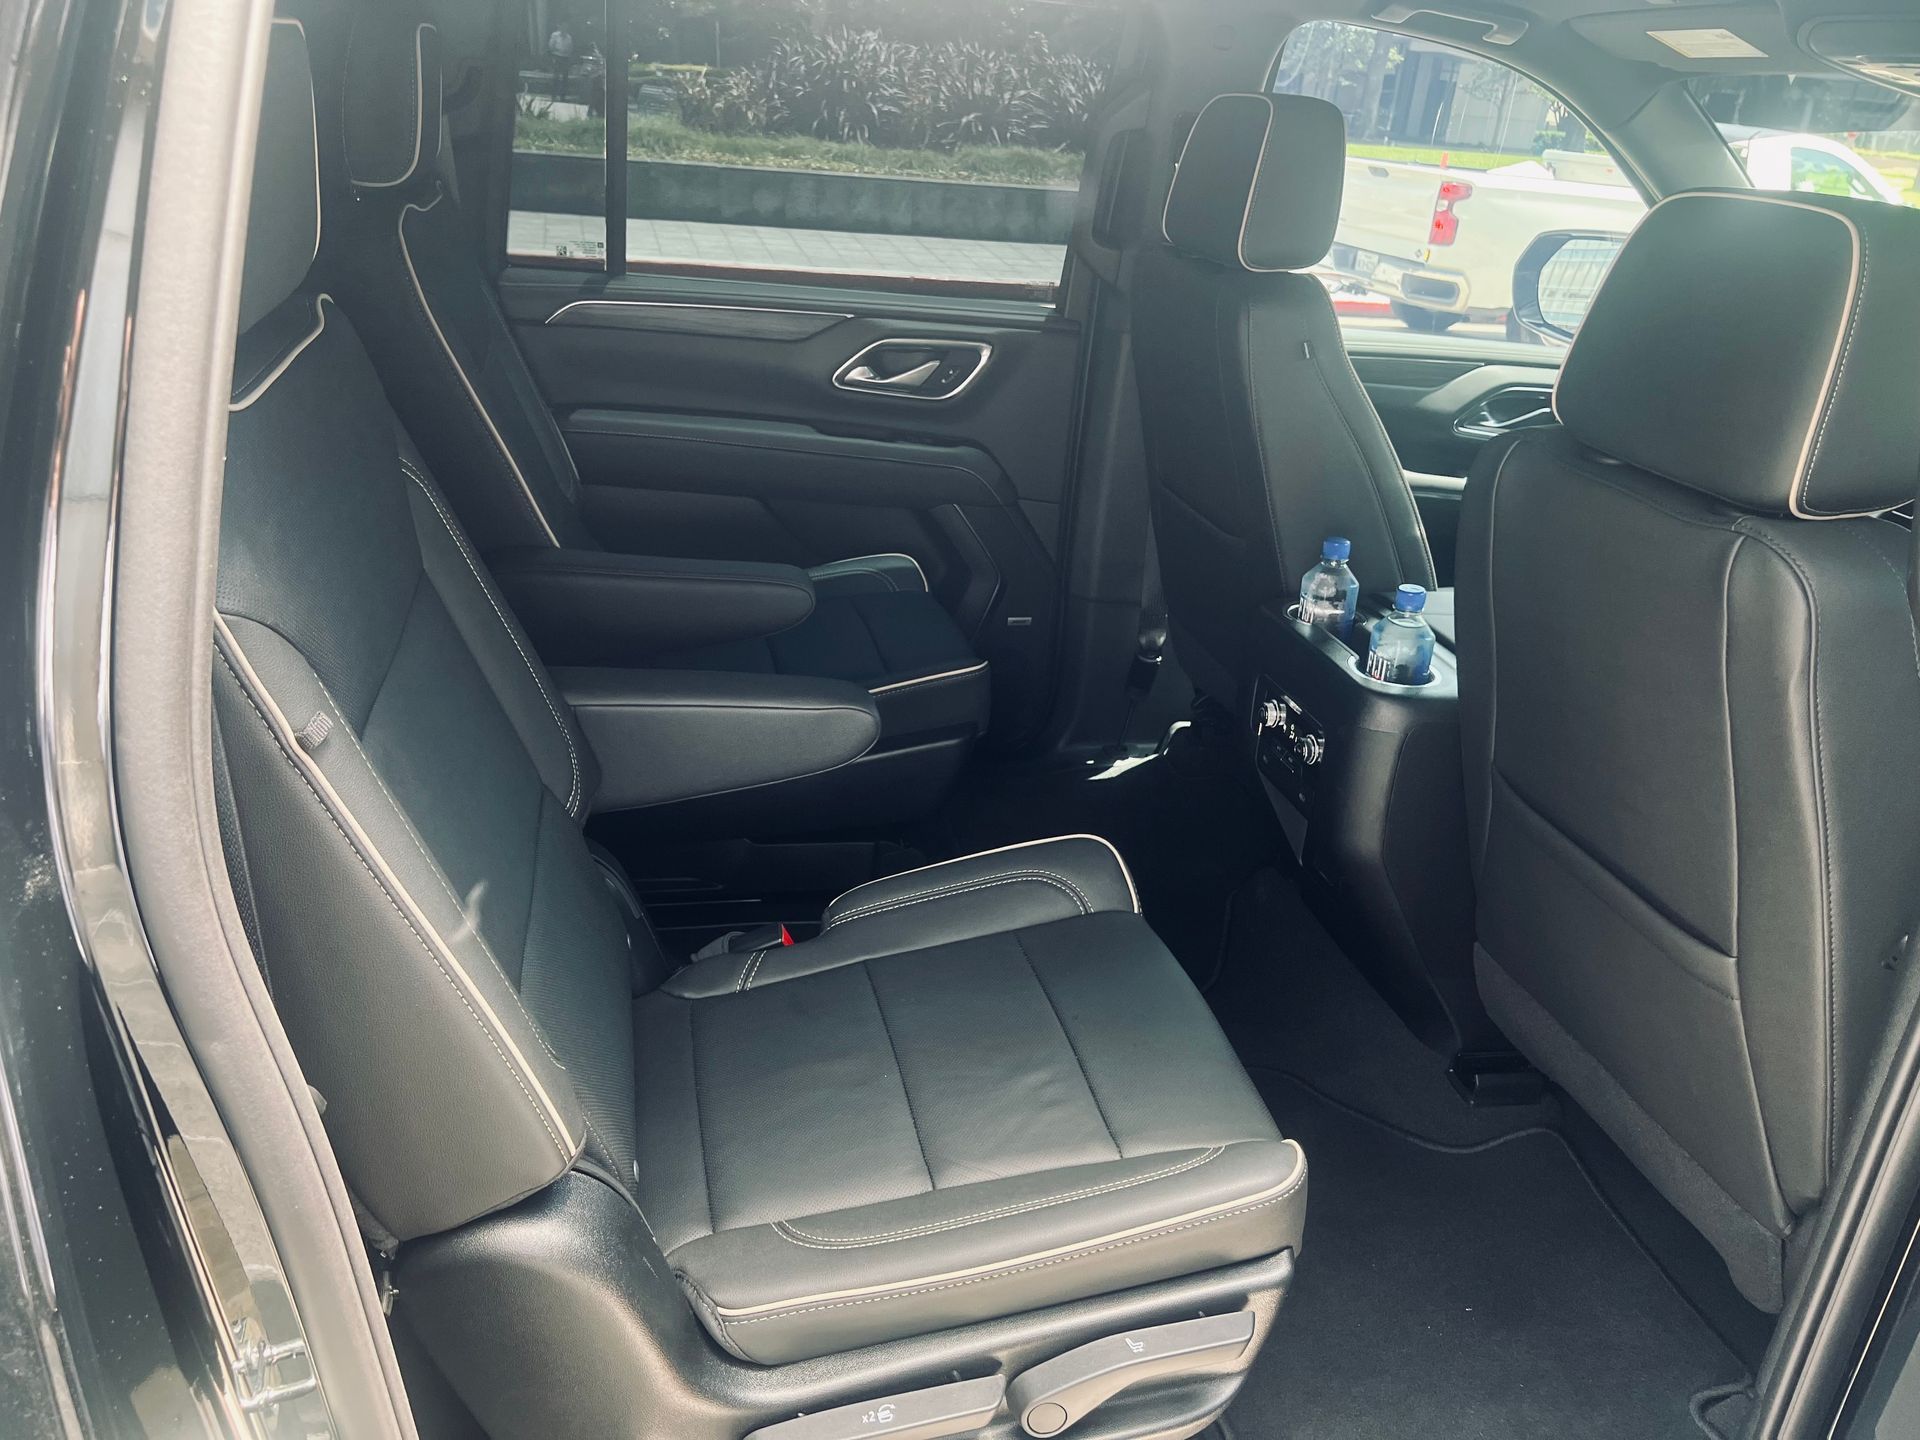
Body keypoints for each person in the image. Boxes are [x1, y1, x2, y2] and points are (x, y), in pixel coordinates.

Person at [547, 23, 574, 103]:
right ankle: (554, 96)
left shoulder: (569, 37)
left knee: (565, 78)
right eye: (562, 27)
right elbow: (551, 46)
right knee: (556, 77)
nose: (564, 29)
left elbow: (571, 48)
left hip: (565, 58)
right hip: (557, 56)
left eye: (566, 27)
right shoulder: (555, 35)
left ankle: (563, 96)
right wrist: (555, 53)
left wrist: (567, 55)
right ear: (559, 27)